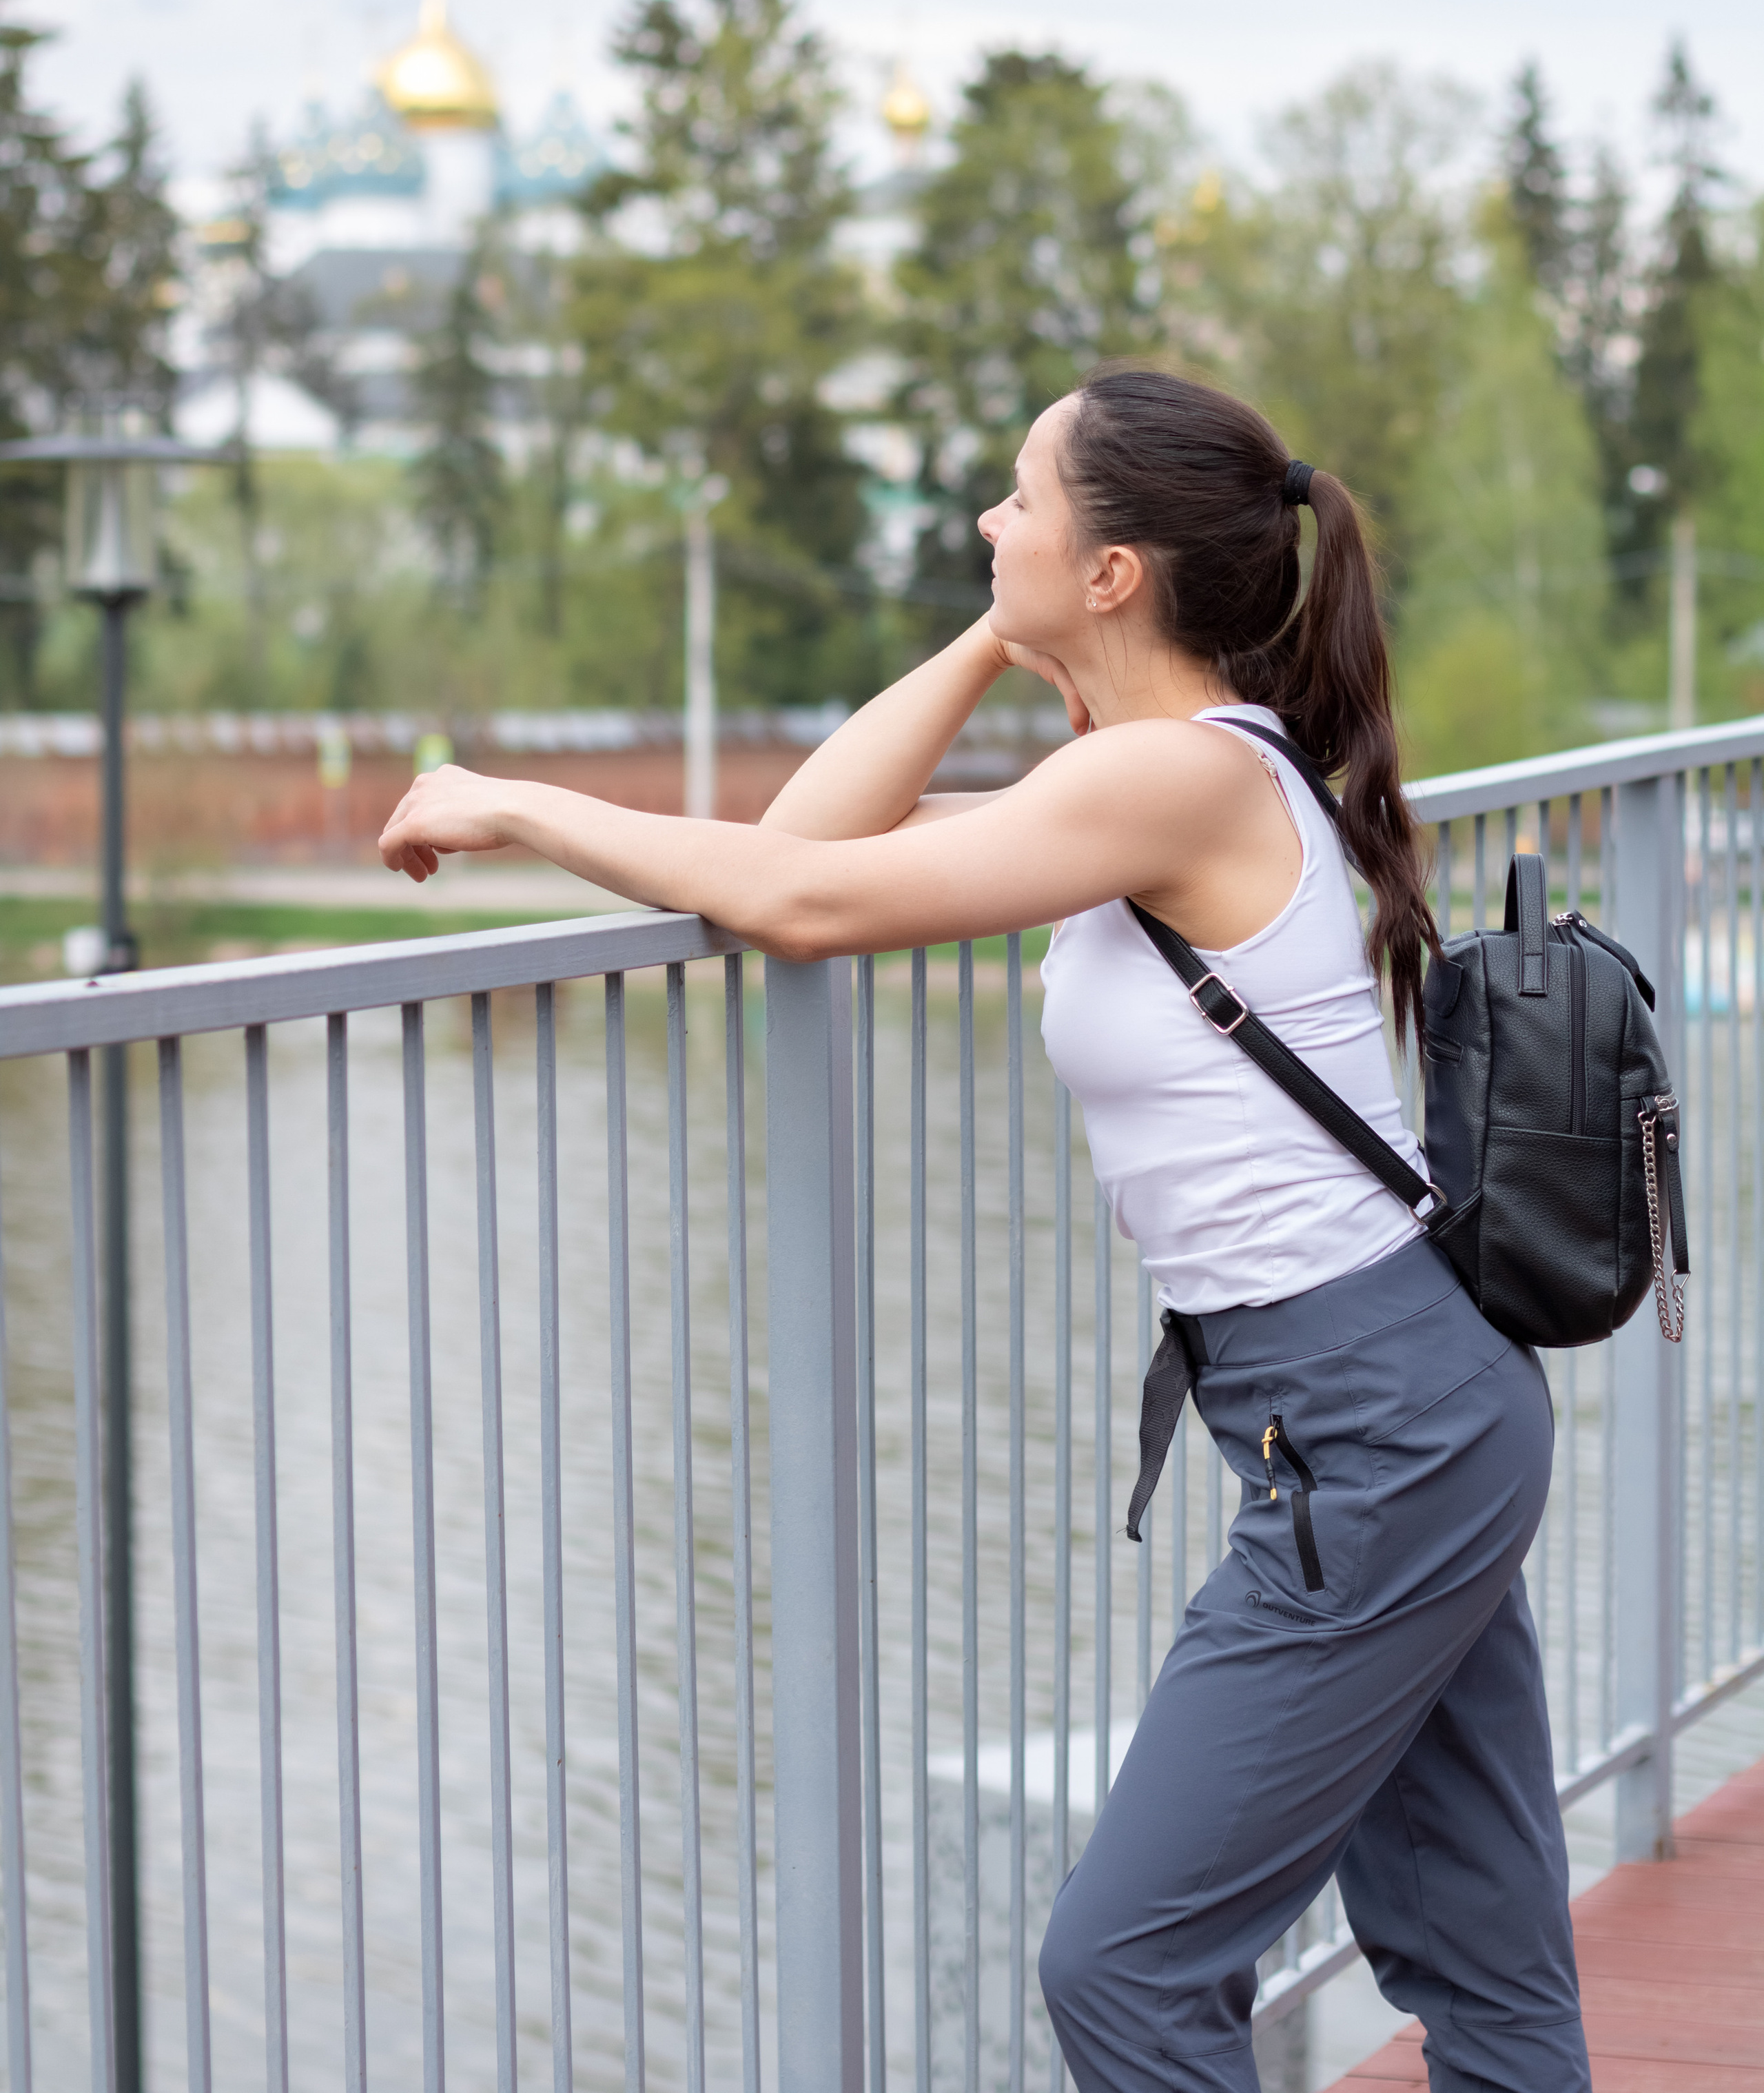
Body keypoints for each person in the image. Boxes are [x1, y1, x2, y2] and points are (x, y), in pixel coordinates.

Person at [380, 366, 1587, 2093]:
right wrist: (986, 639)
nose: (984, 521)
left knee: (1123, 1964)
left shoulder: (1171, 783)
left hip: (1375, 1422)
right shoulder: (1141, 786)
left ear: (1116, 571)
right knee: (1477, 1952)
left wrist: (503, 798)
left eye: (1018, 500)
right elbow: (799, 839)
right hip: (1388, 1403)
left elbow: (792, 901)